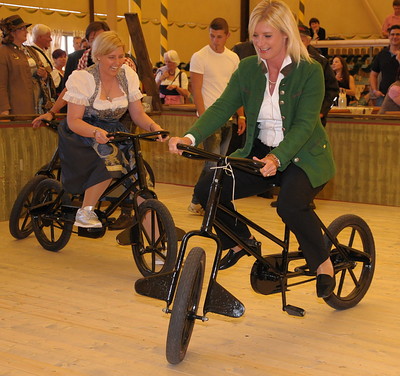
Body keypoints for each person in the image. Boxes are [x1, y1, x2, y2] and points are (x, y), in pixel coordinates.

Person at [169, 0, 336, 299]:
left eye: (267, 36)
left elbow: (306, 124)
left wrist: (278, 157)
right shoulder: (248, 68)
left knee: (290, 205)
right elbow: (222, 107)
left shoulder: (310, 70)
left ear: (286, 34)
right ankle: (238, 242)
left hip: (303, 156)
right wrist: (191, 138)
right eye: (255, 36)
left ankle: (323, 262)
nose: (259, 43)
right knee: (209, 186)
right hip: (258, 153)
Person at [58, 31, 167, 228]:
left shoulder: (128, 76)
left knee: (141, 182)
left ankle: (157, 246)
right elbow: (73, 120)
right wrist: (95, 132)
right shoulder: (83, 78)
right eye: (111, 57)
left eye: (120, 56)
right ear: (98, 55)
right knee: (108, 162)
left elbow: (138, 114)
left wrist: (154, 127)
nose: (117, 62)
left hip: (113, 133)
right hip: (82, 132)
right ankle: (86, 210)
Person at [188, 17, 241, 215]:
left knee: (220, 163)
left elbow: (237, 91)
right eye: (212, 36)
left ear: (227, 36)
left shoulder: (233, 58)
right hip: (209, 117)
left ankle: (198, 200)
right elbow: (197, 90)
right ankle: (204, 201)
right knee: (212, 163)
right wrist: (204, 119)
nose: (215, 40)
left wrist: (241, 116)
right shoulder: (199, 56)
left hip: (228, 118)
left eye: (219, 37)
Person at [0, 15, 51, 115]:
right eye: (22, 29)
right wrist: (4, 109)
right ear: (12, 32)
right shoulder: (3, 53)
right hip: (16, 106)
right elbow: (1, 85)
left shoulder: (31, 51)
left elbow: (43, 76)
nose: (26, 32)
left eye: (25, 29)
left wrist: (44, 75)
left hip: (37, 104)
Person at [298, 24, 338, 126]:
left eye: (301, 40)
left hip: (314, 121)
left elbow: (333, 90)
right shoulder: (282, 60)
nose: (297, 44)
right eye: (294, 40)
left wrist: (322, 111)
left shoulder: (321, 62)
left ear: (308, 41)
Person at [370, 24, 400, 106]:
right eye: (392, 34)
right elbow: (373, 74)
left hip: (399, 96)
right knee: (381, 118)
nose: (395, 37)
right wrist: (375, 91)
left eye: (398, 34)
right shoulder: (382, 54)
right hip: (383, 96)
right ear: (389, 36)